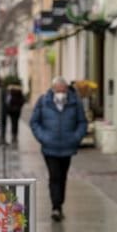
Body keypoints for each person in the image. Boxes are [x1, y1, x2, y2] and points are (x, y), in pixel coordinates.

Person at [30, 76, 87, 222]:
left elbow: (82, 122)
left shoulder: (75, 102)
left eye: (63, 90)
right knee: (54, 176)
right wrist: (43, 137)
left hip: (67, 147)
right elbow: (34, 121)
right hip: (50, 147)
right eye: (58, 90)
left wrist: (76, 138)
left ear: (67, 90)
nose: (61, 92)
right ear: (53, 89)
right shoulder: (44, 101)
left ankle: (59, 203)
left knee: (62, 177)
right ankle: (56, 207)